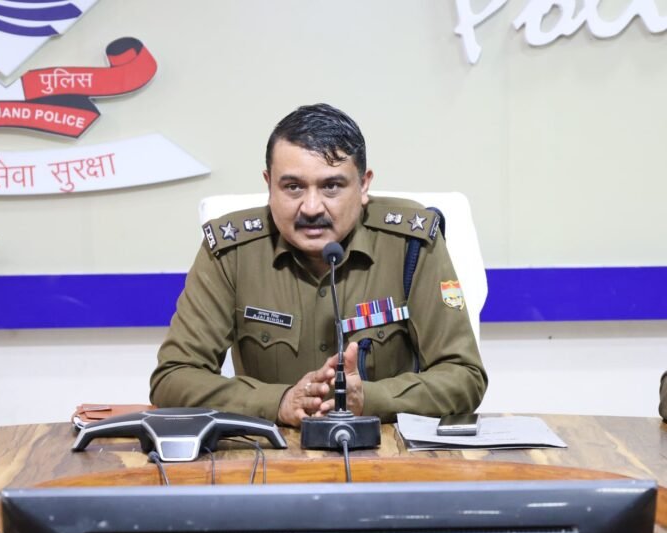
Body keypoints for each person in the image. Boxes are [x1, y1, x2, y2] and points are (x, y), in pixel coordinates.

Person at [150, 103, 487, 427]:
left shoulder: (410, 242)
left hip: (384, 452)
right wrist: (279, 402)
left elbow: (464, 377)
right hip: (271, 454)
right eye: (293, 187)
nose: (311, 208)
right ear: (269, 185)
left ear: (364, 184)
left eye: (331, 186)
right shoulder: (233, 250)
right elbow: (173, 377)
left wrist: (368, 398)